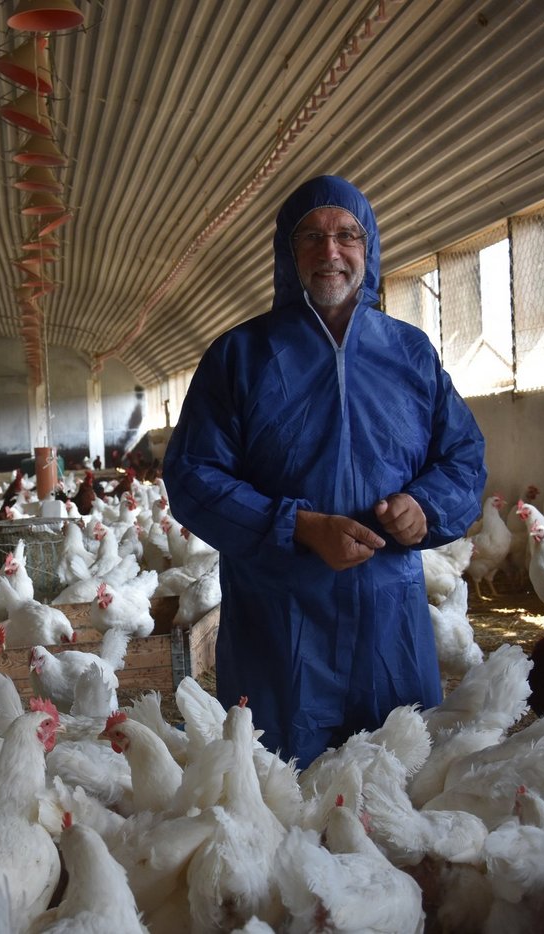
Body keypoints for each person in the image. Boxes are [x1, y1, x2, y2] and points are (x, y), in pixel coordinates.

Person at [162, 175, 486, 766]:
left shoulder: (411, 354)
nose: (330, 252)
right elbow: (192, 476)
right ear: (287, 255)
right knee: (282, 799)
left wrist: (428, 507)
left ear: (370, 249)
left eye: (346, 236)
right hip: (280, 628)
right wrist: (299, 527)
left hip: (390, 624)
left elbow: (463, 459)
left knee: (395, 797)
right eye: (310, 237)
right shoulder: (239, 357)